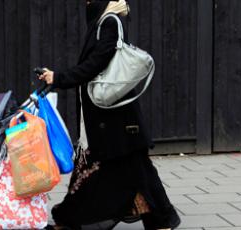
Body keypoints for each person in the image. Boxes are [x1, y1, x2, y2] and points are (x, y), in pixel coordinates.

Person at [39, 0, 181, 229]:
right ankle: (159, 220)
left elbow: (96, 63)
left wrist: (60, 78)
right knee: (129, 170)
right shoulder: (101, 19)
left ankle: (160, 220)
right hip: (109, 116)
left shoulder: (109, 21)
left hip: (115, 117)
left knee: (132, 169)